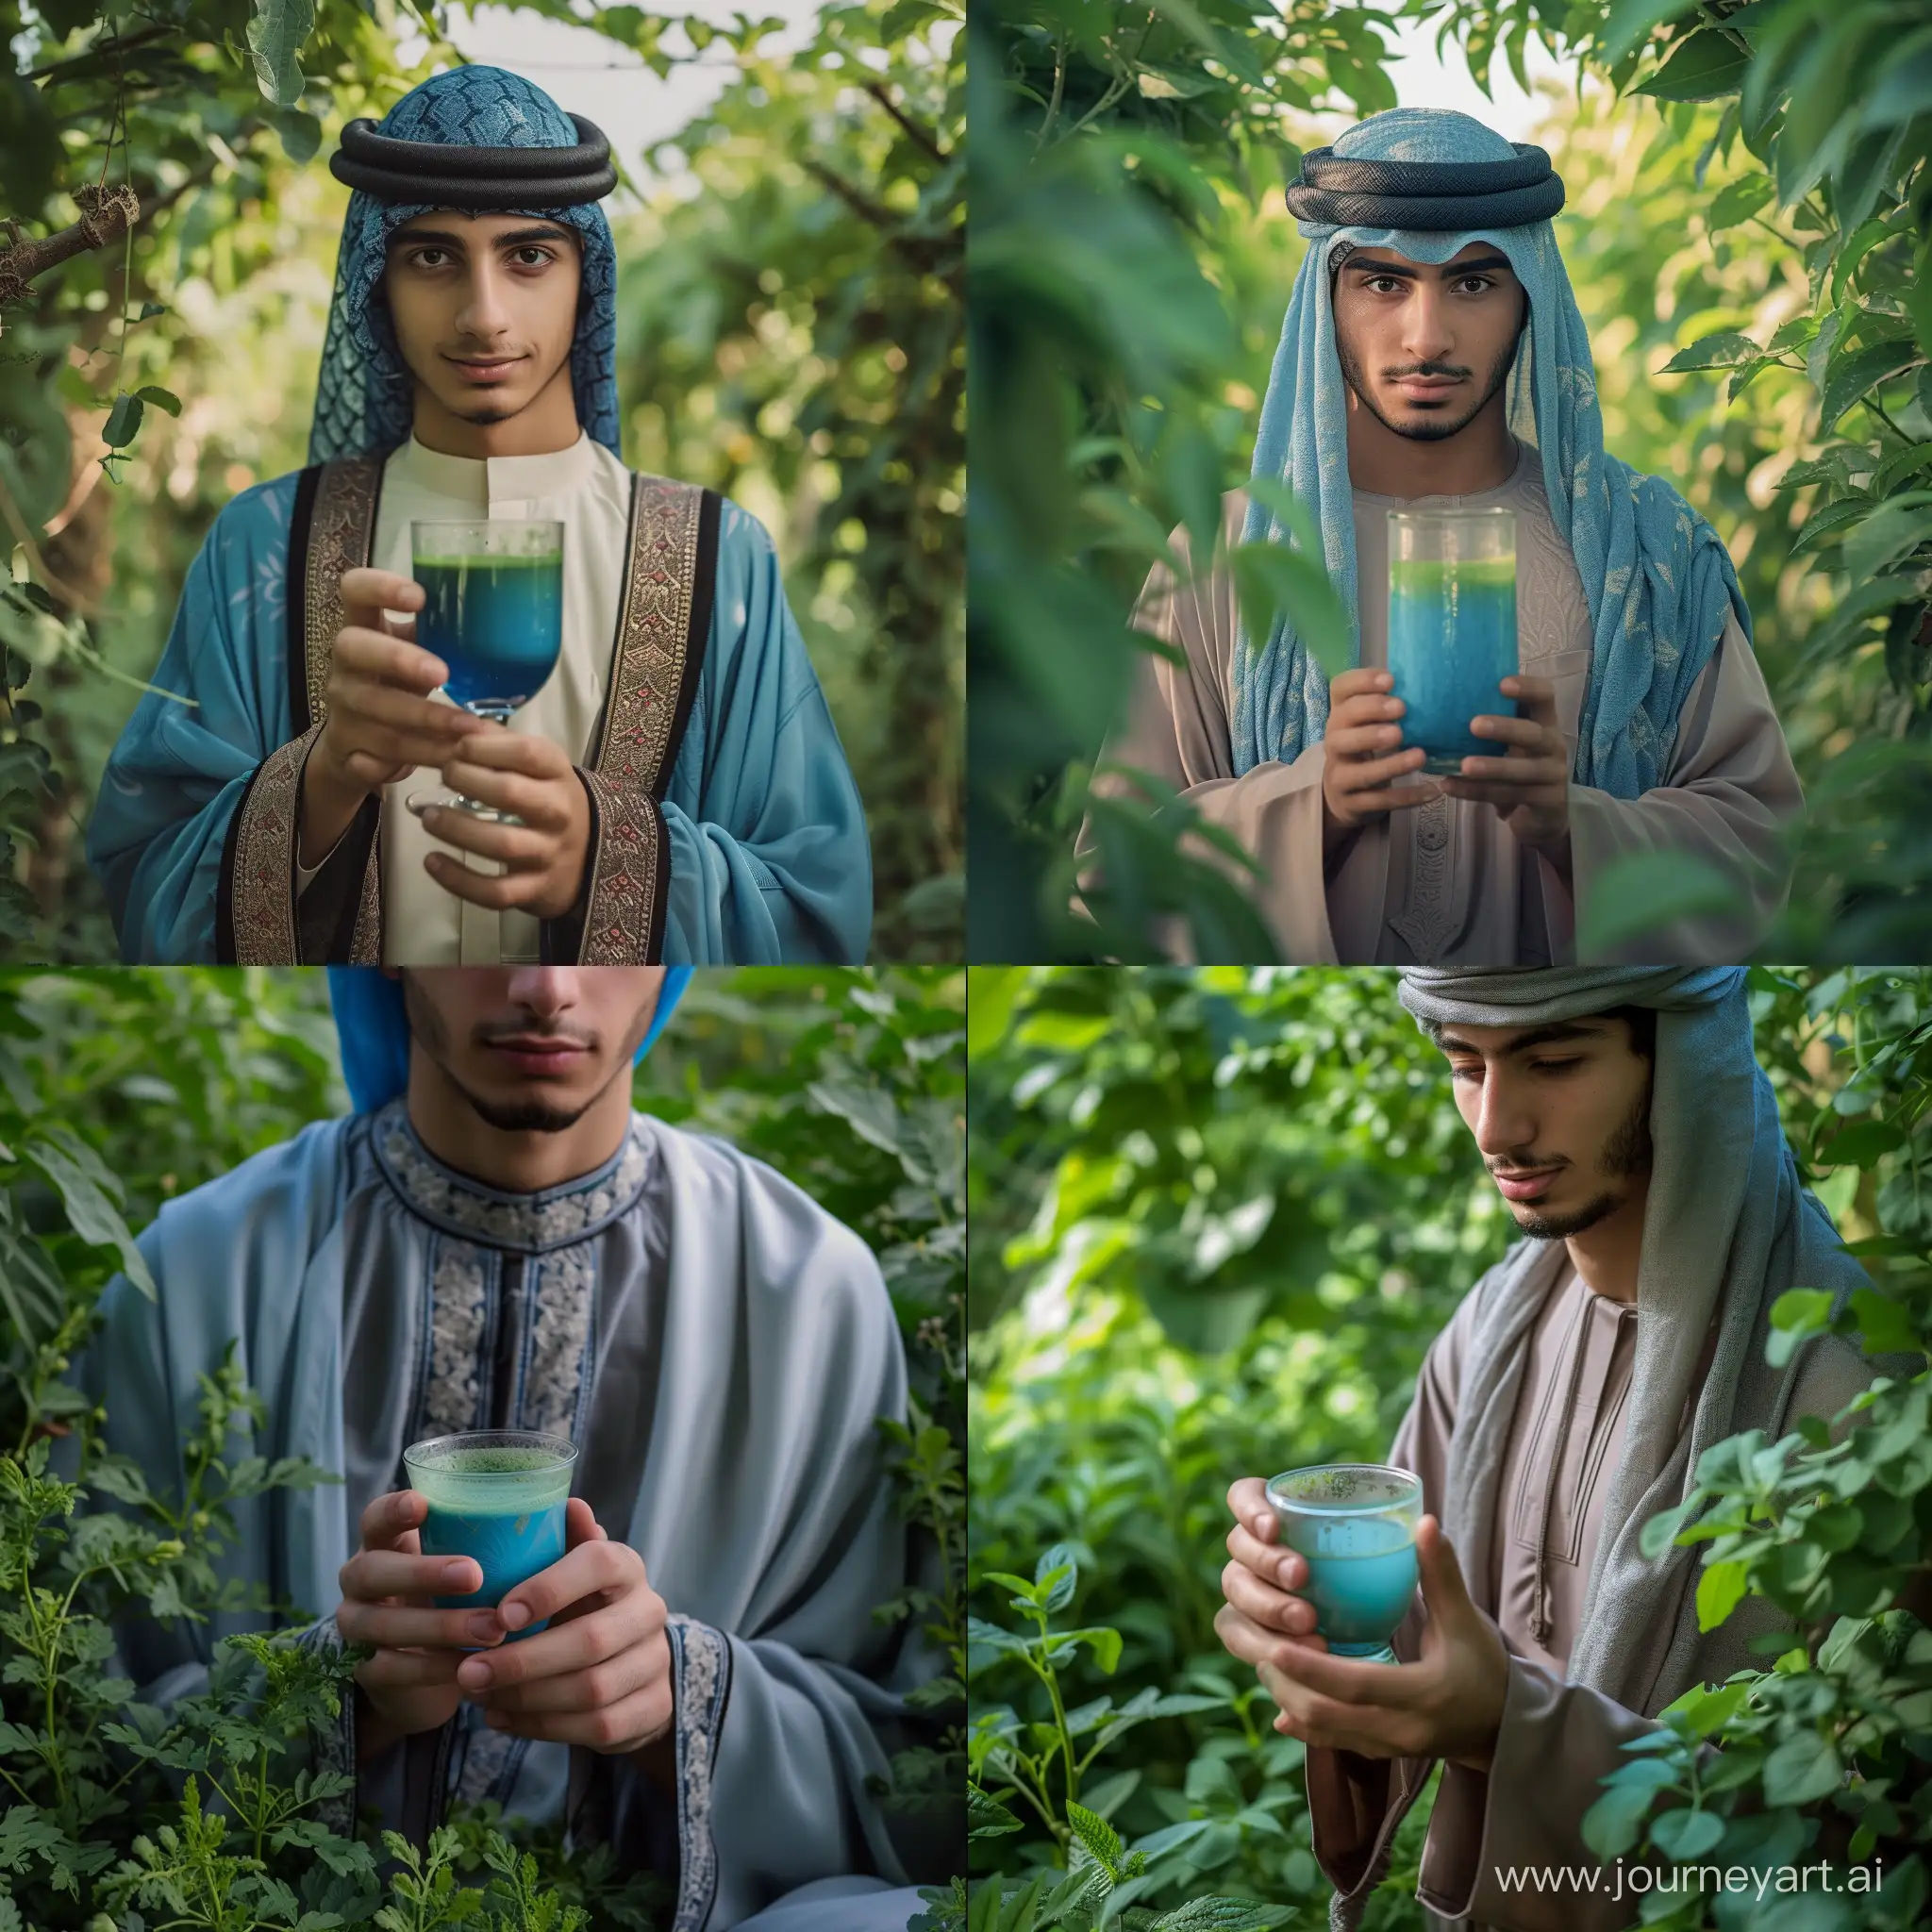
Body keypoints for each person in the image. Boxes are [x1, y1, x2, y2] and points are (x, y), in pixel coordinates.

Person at [75, 967, 942, 1930]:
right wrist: (331, 1693)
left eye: (609, 923)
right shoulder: (192, 1274)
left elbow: (917, 1783)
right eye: (475, 922)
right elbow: (66, 1752)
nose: (546, 985)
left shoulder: (808, 1292)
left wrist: (679, 1698)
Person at [87, 68, 871, 968]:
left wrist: (605, 857)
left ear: (588, 279)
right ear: (378, 284)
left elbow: (818, 907)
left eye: (529, 256)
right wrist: (320, 781)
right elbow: (142, 877)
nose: (482, 314)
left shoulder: (719, 557)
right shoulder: (263, 541)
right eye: (431, 257)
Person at [1214, 966, 1924, 1930]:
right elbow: (1414, 1637)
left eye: (1550, 1060)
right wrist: (1307, 1613)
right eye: (1463, 1064)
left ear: (1683, 1057)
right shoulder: (1489, 1330)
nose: (1491, 1125)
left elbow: (1872, 1854)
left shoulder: (1858, 1396)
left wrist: (1508, 1726)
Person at [1083, 109, 1801, 967]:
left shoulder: (1650, 552)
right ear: (1328, 301)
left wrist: (1573, 823)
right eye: (1383, 283)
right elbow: (1112, 881)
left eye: (1473, 283)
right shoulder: (1222, 554)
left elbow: (1758, 846)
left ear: (1530, 296)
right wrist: (1318, 804)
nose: (1427, 338)